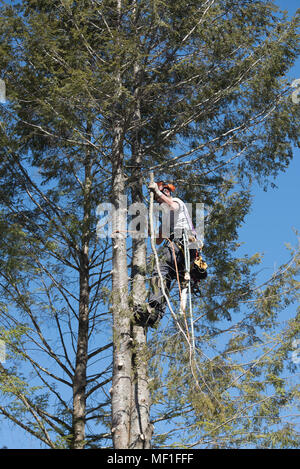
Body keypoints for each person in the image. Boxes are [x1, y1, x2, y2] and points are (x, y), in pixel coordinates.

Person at [134, 181, 199, 328]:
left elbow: (172, 205)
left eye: (160, 197)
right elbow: (158, 240)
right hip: (184, 253)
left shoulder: (176, 203)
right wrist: (148, 229)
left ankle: (152, 307)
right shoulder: (167, 218)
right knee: (166, 279)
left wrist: (157, 191)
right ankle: (154, 314)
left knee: (160, 270)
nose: (159, 201)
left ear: (166, 193)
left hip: (182, 245)